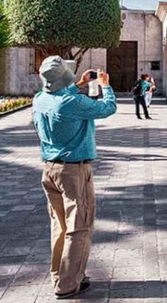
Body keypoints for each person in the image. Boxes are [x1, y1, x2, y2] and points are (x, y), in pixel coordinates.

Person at [32, 56, 117, 299]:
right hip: (73, 171)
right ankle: (68, 285)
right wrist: (105, 86)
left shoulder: (40, 99)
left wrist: (79, 84)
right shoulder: (72, 102)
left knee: (59, 227)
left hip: (50, 170)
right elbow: (108, 108)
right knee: (79, 227)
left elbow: (63, 98)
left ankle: (60, 276)